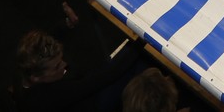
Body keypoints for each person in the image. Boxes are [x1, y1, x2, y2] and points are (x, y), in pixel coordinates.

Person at [10, 28, 144, 112]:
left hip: (76, 93)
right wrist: (141, 42)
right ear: (36, 77)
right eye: (56, 67)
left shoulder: (23, 73)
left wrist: (65, 24)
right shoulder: (51, 95)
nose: (64, 65)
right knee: (134, 67)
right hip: (91, 104)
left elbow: (41, 44)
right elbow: (101, 79)